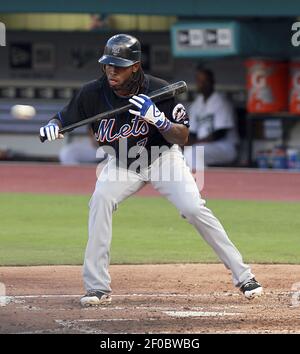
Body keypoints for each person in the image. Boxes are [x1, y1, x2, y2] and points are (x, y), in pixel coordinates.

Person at [39, 34, 262, 307]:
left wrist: (159, 120)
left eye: (118, 66)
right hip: (122, 163)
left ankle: (244, 275)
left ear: (135, 66)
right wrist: (52, 125)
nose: (111, 70)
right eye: (108, 64)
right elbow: (63, 118)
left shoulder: (160, 89)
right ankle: (97, 287)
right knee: (100, 201)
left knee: (193, 208)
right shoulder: (92, 93)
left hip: (162, 159)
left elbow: (183, 137)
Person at [184, 67, 239, 169]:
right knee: (181, 153)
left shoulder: (221, 102)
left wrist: (194, 143)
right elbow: (192, 133)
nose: (202, 84)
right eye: (200, 81)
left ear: (212, 82)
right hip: (203, 146)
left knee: (193, 152)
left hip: (224, 146)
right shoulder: (197, 104)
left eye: (205, 81)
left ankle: (202, 182)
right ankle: (199, 180)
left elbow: (220, 133)